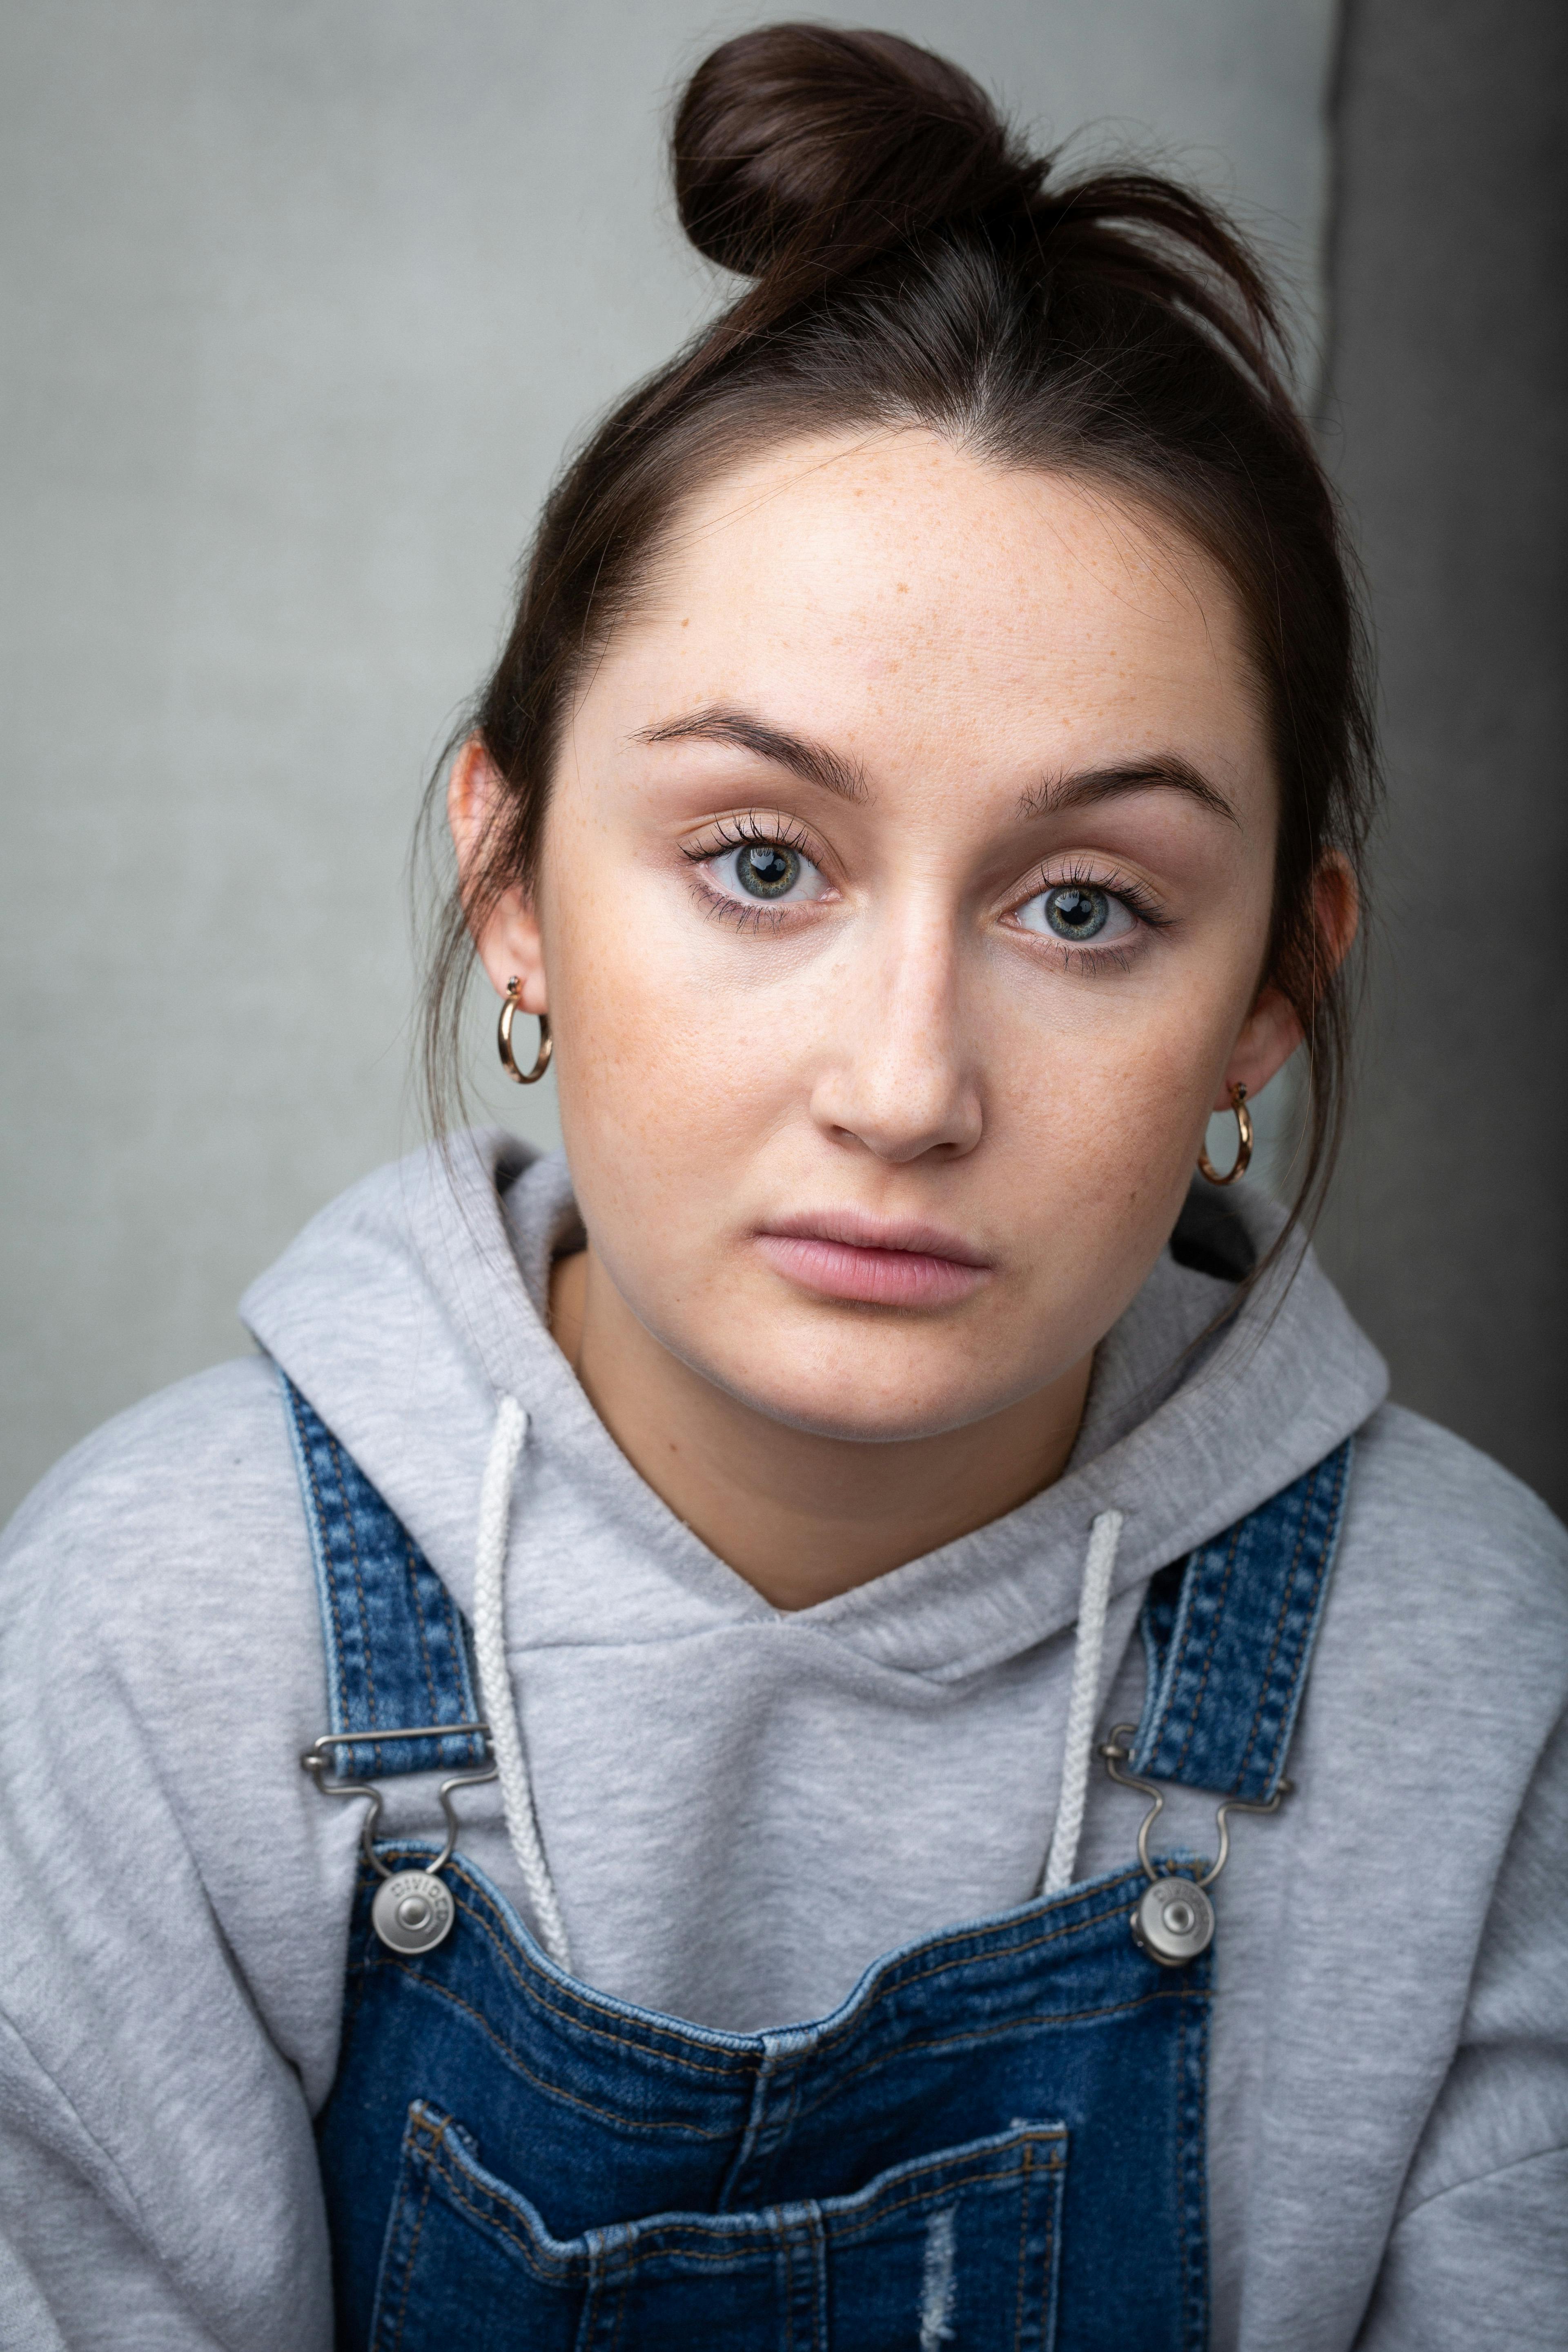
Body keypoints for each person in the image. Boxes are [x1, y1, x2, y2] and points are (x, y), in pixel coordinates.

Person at [1, 22, 1563, 2350]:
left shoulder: (1490, 1677)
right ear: (514, 877)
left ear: (1271, 997)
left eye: (1087, 908)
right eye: (759, 861)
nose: (908, 1083)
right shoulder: (149, 1640)